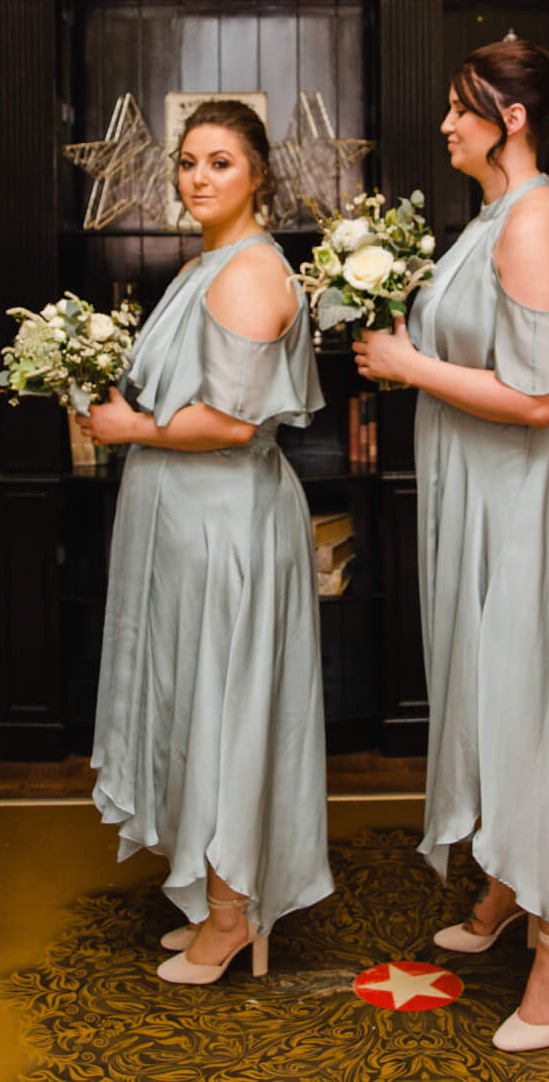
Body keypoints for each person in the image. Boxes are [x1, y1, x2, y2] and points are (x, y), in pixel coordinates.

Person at [353, 38, 549, 1054]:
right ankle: (507, 876)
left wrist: (407, 363)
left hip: (522, 505)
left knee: (536, 707)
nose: (445, 123)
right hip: (480, 493)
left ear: (513, 120)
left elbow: (538, 399)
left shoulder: (536, 219)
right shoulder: (495, 214)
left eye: (462, 107)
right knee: (497, 697)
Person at [78, 100, 332, 985]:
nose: (197, 177)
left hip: (224, 524)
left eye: (220, 162)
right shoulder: (209, 264)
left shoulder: (252, 272)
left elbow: (230, 424)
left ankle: (232, 916)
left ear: (258, 174)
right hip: (189, 519)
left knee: (224, 710)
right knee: (196, 702)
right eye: (188, 160)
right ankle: (217, 894)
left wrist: (127, 427)